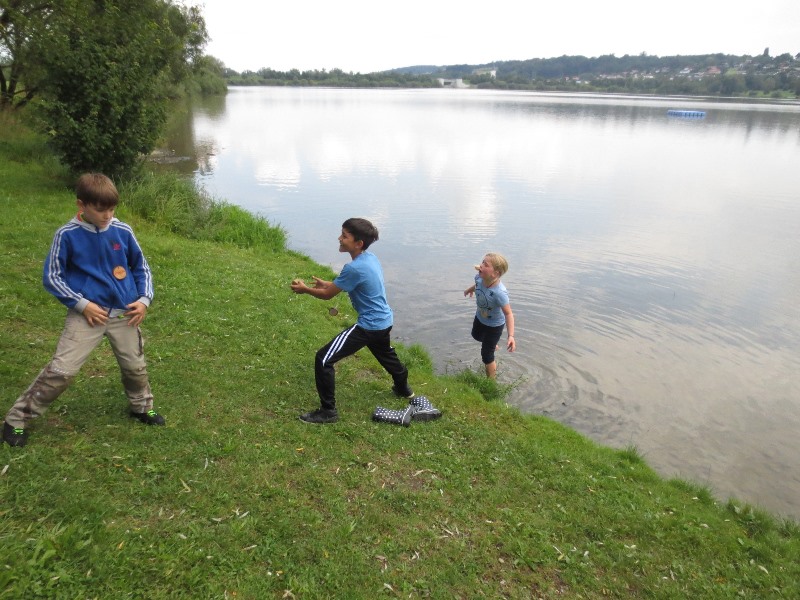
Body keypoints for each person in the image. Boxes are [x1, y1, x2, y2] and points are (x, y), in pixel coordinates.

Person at [2, 173, 165, 448]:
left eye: (112, 209)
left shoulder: (122, 231)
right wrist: (82, 304)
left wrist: (144, 300)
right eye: (100, 210)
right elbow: (53, 277)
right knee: (62, 371)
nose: (108, 216)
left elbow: (141, 267)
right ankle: (16, 420)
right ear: (81, 205)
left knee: (135, 367)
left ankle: (141, 407)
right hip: (87, 315)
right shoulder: (67, 235)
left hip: (123, 313)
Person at [290, 218, 415, 424]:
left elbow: (327, 295)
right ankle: (403, 388)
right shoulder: (370, 258)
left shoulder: (354, 268)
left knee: (323, 359)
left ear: (359, 243)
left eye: (345, 236)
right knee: (386, 355)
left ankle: (328, 412)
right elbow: (350, 284)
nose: (339, 238)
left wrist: (305, 289)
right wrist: (328, 283)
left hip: (369, 325)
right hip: (384, 320)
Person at [464, 253, 516, 378]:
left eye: (486, 265)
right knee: (476, 335)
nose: (481, 265)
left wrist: (511, 336)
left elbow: (508, 313)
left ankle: (491, 382)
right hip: (480, 318)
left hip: (494, 326)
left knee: (486, 356)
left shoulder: (499, 293)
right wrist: (470, 290)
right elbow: (477, 285)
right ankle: (492, 344)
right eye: (482, 262)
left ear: (495, 273)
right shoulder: (479, 278)